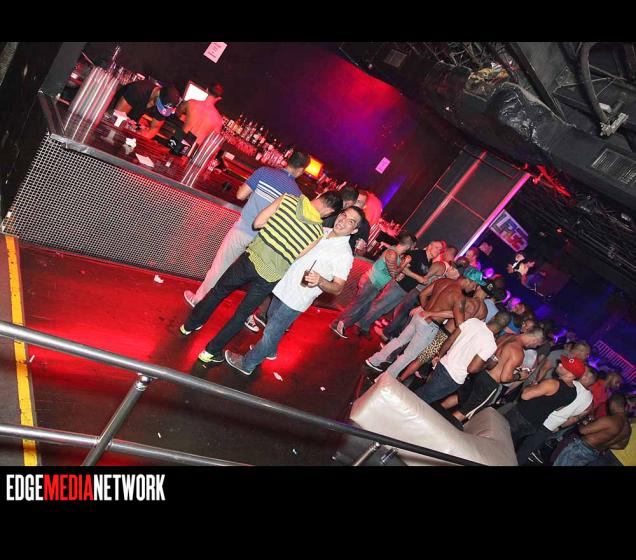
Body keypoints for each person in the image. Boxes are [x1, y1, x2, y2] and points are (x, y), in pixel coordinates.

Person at [179, 190, 342, 364]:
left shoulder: (287, 200)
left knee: (218, 291)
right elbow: (296, 256)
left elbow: (257, 223)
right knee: (242, 314)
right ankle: (210, 352)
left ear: (320, 196)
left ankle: (189, 326)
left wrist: (276, 230)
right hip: (270, 275)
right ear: (329, 212)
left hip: (251, 258)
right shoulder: (317, 233)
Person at [224, 206, 364, 375]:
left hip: (297, 297)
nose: (343, 221)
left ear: (354, 230)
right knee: (271, 318)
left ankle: (247, 364)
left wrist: (320, 280)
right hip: (284, 285)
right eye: (343, 215)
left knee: (271, 332)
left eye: (350, 221)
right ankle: (269, 350)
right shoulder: (323, 231)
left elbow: (338, 288)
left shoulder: (344, 254)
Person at [184, 151, 310, 307]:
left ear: (287, 161)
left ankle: (199, 300)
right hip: (263, 243)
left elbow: (240, 195)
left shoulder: (264, 172)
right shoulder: (297, 195)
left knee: (220, 267)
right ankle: (225, 309)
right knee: (243, 280)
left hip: (243, 229)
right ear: (301, 170)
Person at [365, 272, 482, 379]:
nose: (473, 288)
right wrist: (432, 314)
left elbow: (423, 294)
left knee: (398, 341)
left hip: (419, 317)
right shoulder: (459, 297)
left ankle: (374, 360)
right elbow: (460, 322)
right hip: (429, 325)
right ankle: (385, 378)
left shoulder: (442, 281)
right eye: (474, 285)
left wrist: (427, 310)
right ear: (468, 280)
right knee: (409, 355)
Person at [444, 326, 546, 425]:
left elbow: (498, 357)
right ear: (534, 340)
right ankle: (442, 429)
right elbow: (505, 378)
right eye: (537, 345)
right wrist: (520, 376)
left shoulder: (507, 336)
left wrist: (513, 366)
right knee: (466, 411)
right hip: (489, 383)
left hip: (481, 371)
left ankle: (436, 409)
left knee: (459, 397)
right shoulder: (518, 352)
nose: (535, 347)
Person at [411, 311, 511, 406]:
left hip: (443, 363)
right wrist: (487, 364)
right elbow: (472, 369)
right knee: (421, 399)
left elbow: (451, 338)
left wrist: (438, 356)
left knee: (423, 394)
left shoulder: (473, 321)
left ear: (494, 317)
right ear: (504, 327)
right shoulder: (491, 344)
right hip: (453, 377)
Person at [330, 231, 416, 339]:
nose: (413, 248)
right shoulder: (392, 253)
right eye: (413, 246)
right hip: (371, 282)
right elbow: (393, 273)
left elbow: (394, 274)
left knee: (363, 310)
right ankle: (336, 324)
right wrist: (404, 264)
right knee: (357, 306)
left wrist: (401, 271)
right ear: (409, 245)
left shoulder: (397, 255)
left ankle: (343, 325)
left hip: (375, 285)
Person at [502, 355, 585, 462]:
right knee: (508, 444)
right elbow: (558, 409)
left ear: (571, 374)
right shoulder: (573, 393)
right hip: (535, 424)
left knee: (499, 437)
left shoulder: (552, 383)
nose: (560, 364)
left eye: (564, 366)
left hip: (520, 417)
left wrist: (531, 386)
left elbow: (525, 395)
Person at [354, 240, 445, 338]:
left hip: (406, 290)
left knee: (384, 309)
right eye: (436, 247)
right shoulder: (418, 254)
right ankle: (360, 324)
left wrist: (423, 280)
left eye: (440, 250)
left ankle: (365, 326)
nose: (438, 251)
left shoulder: (429, 262)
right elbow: (402, 267)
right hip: (398, 285)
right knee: (379, 305)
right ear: (430, 246)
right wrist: (418, 277)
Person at [377, 246, 460, 342]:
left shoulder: (440, 264)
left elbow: (425, 277)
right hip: (428, 296)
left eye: (443, 251)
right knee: (407, 316)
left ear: (447, 252)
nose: (441, 252)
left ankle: (386, 333)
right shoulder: (450, 270)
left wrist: (411, 272)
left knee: (401, 311)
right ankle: (394, 336)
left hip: (419, 290)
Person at [554, 393, 632, 466]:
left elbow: (583, 431)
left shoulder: (610, 420)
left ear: (613, 403)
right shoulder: (627, 428)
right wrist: (603, 444)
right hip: (593, 453)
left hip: (581, 449)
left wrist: (582, 422)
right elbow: (621, 445)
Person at [112, 79, 181, 139]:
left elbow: (155, 128)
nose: (161, 109)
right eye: (161, 105)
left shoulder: (163, 105)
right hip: (110, 114)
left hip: (128, 122)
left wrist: (143, 135)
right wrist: (134, 129)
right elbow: (117, 116)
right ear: (158, 92)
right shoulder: (139, 89)